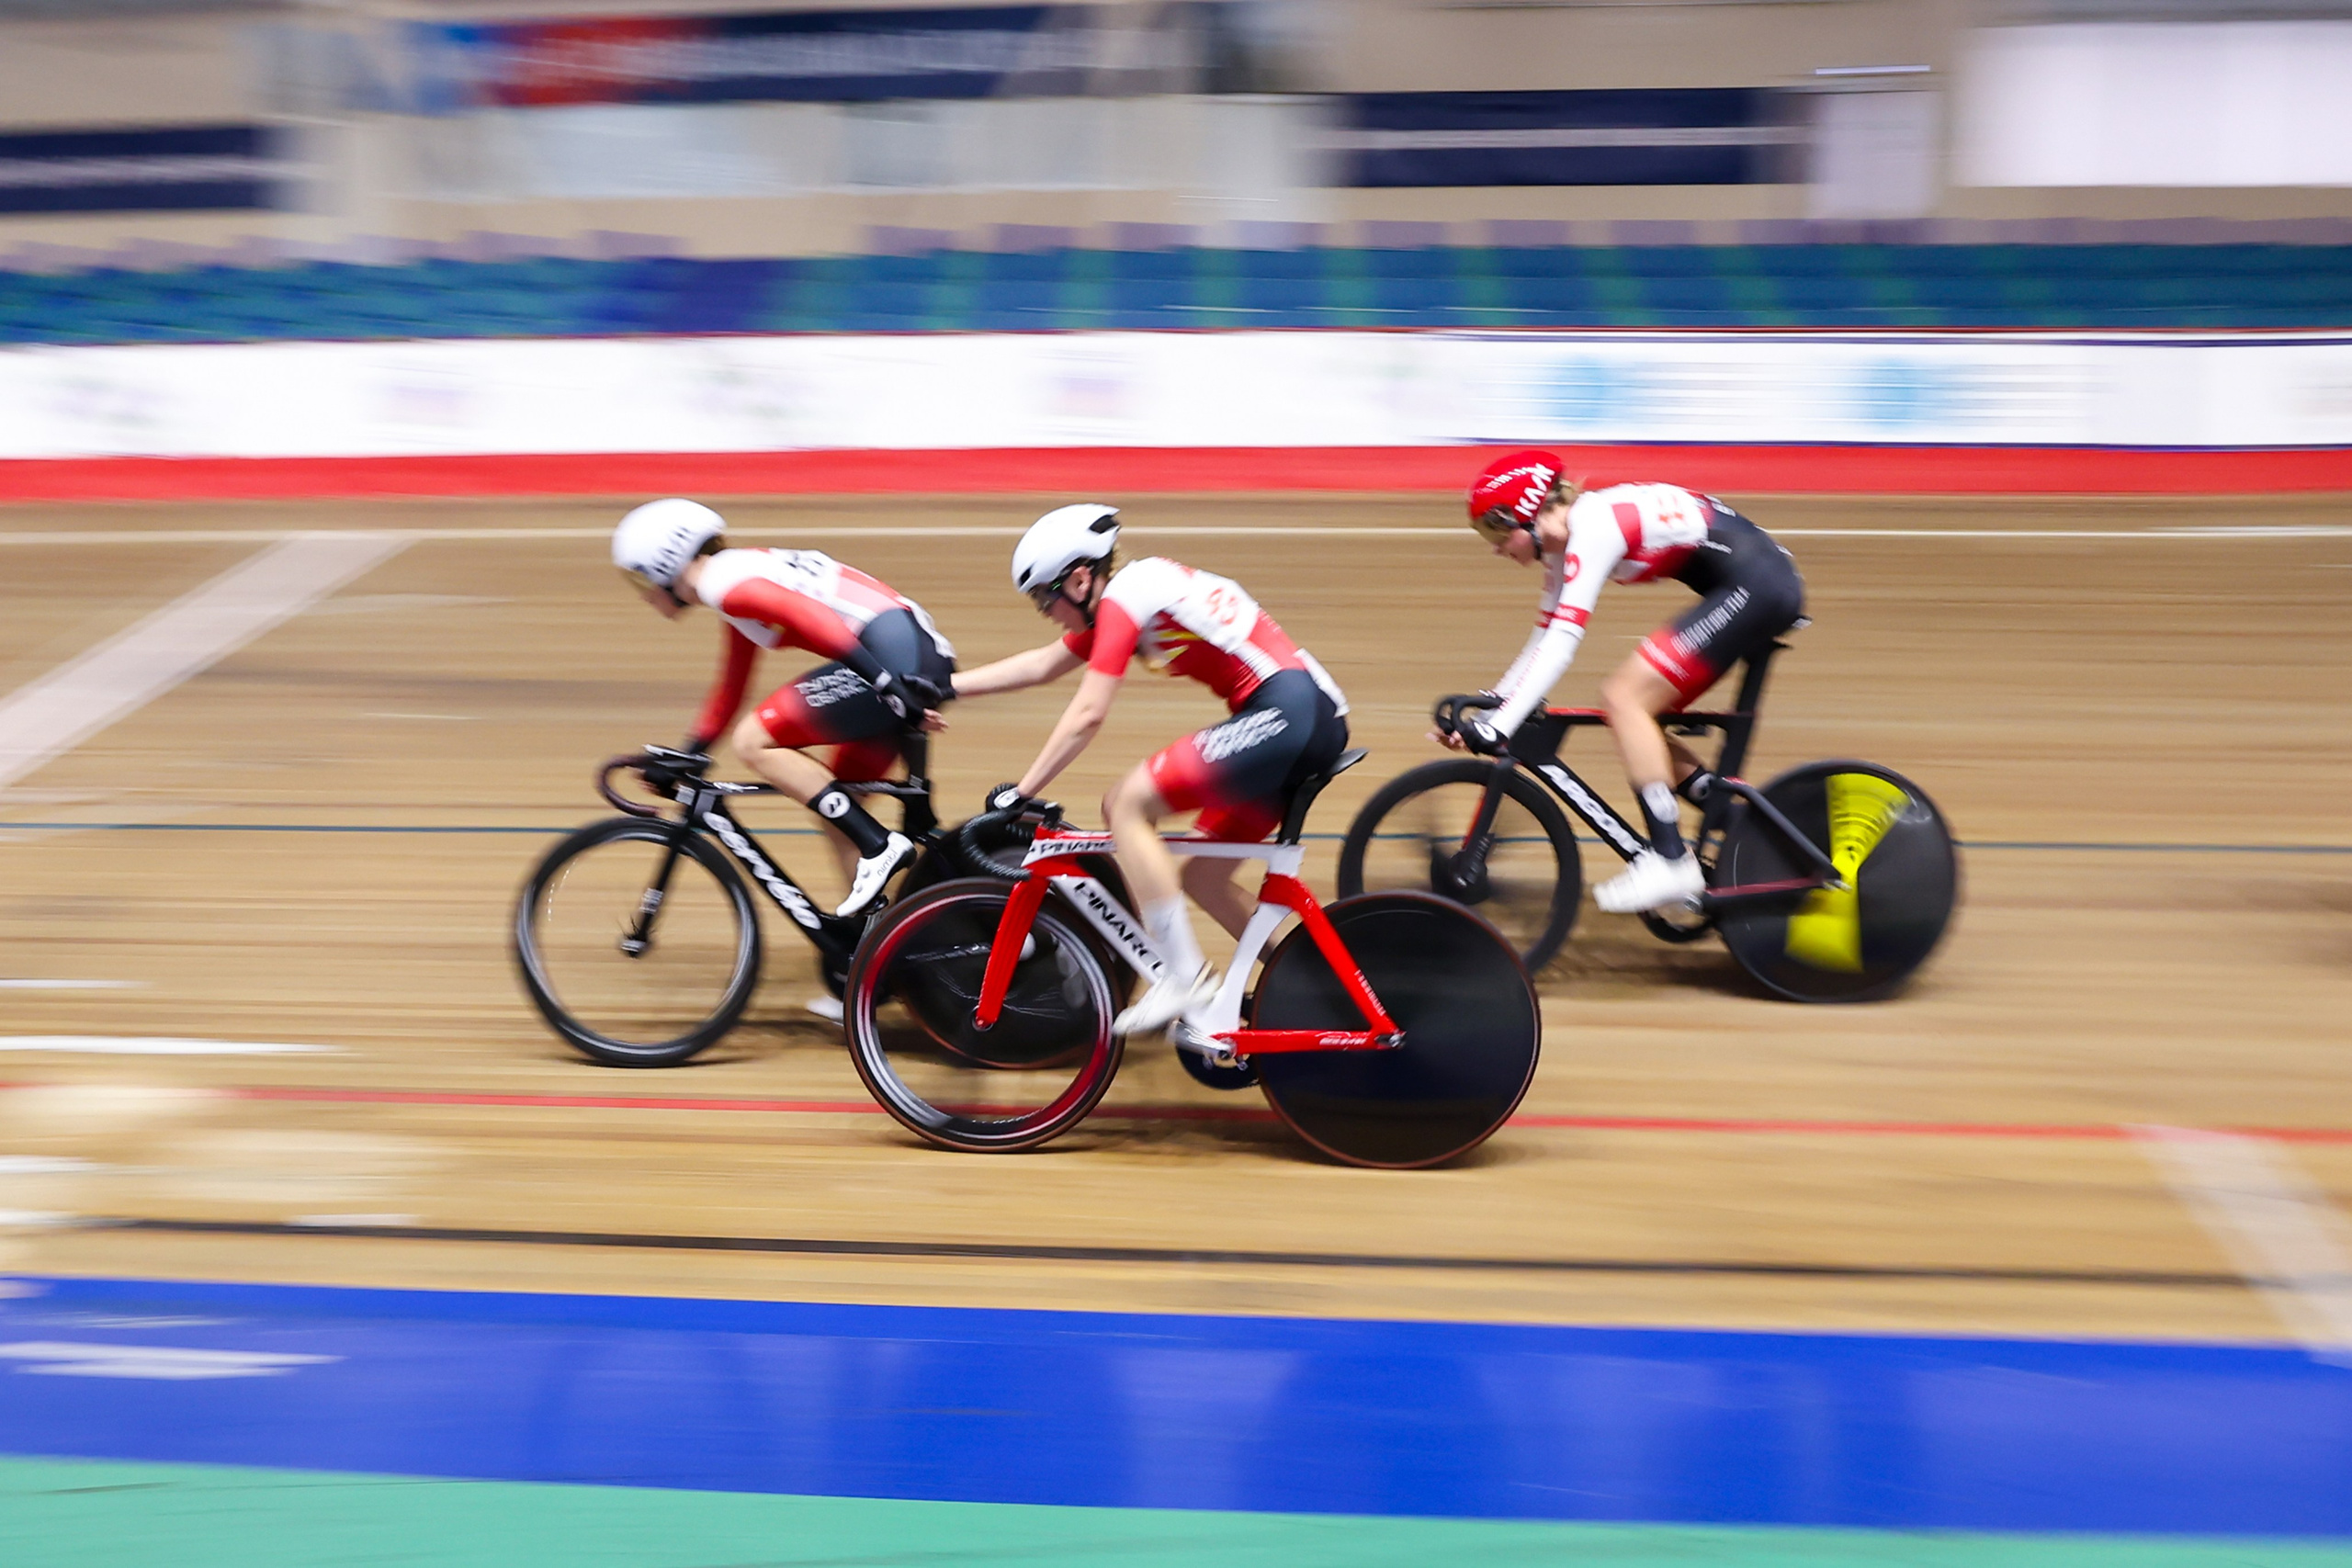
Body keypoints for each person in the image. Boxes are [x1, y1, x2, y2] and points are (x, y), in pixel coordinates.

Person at [952, 504, 1350, 1040]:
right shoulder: (1131, 593)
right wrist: (946, 688)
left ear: (1078, 579)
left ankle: (1184, 979)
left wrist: (1024, 790)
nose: (1046, 612)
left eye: (1045, 598)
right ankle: (1319, 990)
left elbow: (1088, 714)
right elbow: (1042, 665)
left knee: (1125, 804)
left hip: (1285, 713)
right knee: (1201, 879)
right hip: (1304, 712)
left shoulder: (1124, 598)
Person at [1450, 450, 1805, 914]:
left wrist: (1500, 725)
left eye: (1496, 533)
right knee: (1638, 719)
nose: (1496, 548)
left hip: (1757, 587)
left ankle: (1671, 860)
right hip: (1751, 584)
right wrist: (1495, 706)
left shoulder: (1594, 527)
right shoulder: (1569, 540)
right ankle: (1733, 820)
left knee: (1624, 699)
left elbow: (1562, 645)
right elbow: (1542, 639)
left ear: (1528, 513)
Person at [611, 498, 952, 921]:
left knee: (753, 741)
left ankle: (879, 845)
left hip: (895, 663)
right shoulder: (733, 578)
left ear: (663, 565)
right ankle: (874, 953)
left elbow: (805, 613)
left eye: (639, 580)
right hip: (908, 654)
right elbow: (732, 687)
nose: (644, 596)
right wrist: (691, 752)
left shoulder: (723, 583)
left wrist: (884, 683)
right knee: (840, 809)